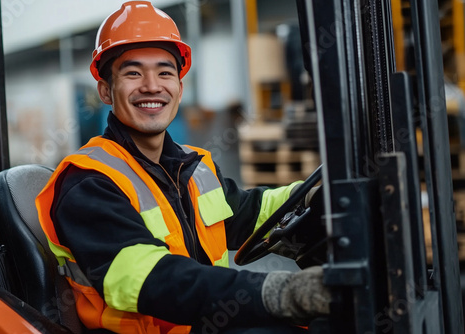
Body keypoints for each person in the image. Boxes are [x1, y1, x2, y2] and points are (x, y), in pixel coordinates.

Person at [36, 1, 330, 333]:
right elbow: (150, 280)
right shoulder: (88, 182)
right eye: (133, 72)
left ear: (179, 87)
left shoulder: (194, 168)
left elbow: (254, 212)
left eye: (165, 72)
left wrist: (315, 196)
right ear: (106, 90)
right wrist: (276, 293)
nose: (151, 85)